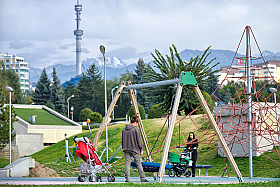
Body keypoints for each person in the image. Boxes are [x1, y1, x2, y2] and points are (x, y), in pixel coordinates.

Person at [122, 115, 149, 182]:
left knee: (127, 164)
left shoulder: (124, 129)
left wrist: (124, 148)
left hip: (126, 148)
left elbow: (122, 140)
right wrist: (141, 149)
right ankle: (142, 178)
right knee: (138, 163)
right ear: (136, 122)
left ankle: (127, 179)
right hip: (135, 149)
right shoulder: (135, 129)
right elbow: (139, 141)